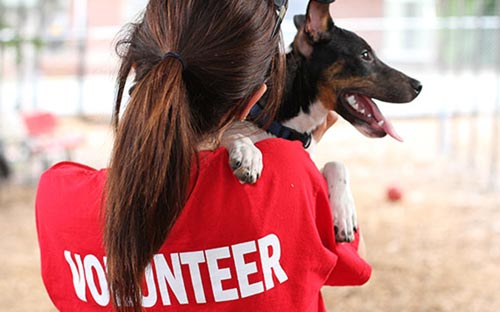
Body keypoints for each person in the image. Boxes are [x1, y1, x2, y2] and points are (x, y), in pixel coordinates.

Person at [36, 0, 370, 311]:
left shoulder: (58, 199)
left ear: (136, 65)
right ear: (252, 99)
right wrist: (302, 150)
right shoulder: (286, 171)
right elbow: (352, 261)